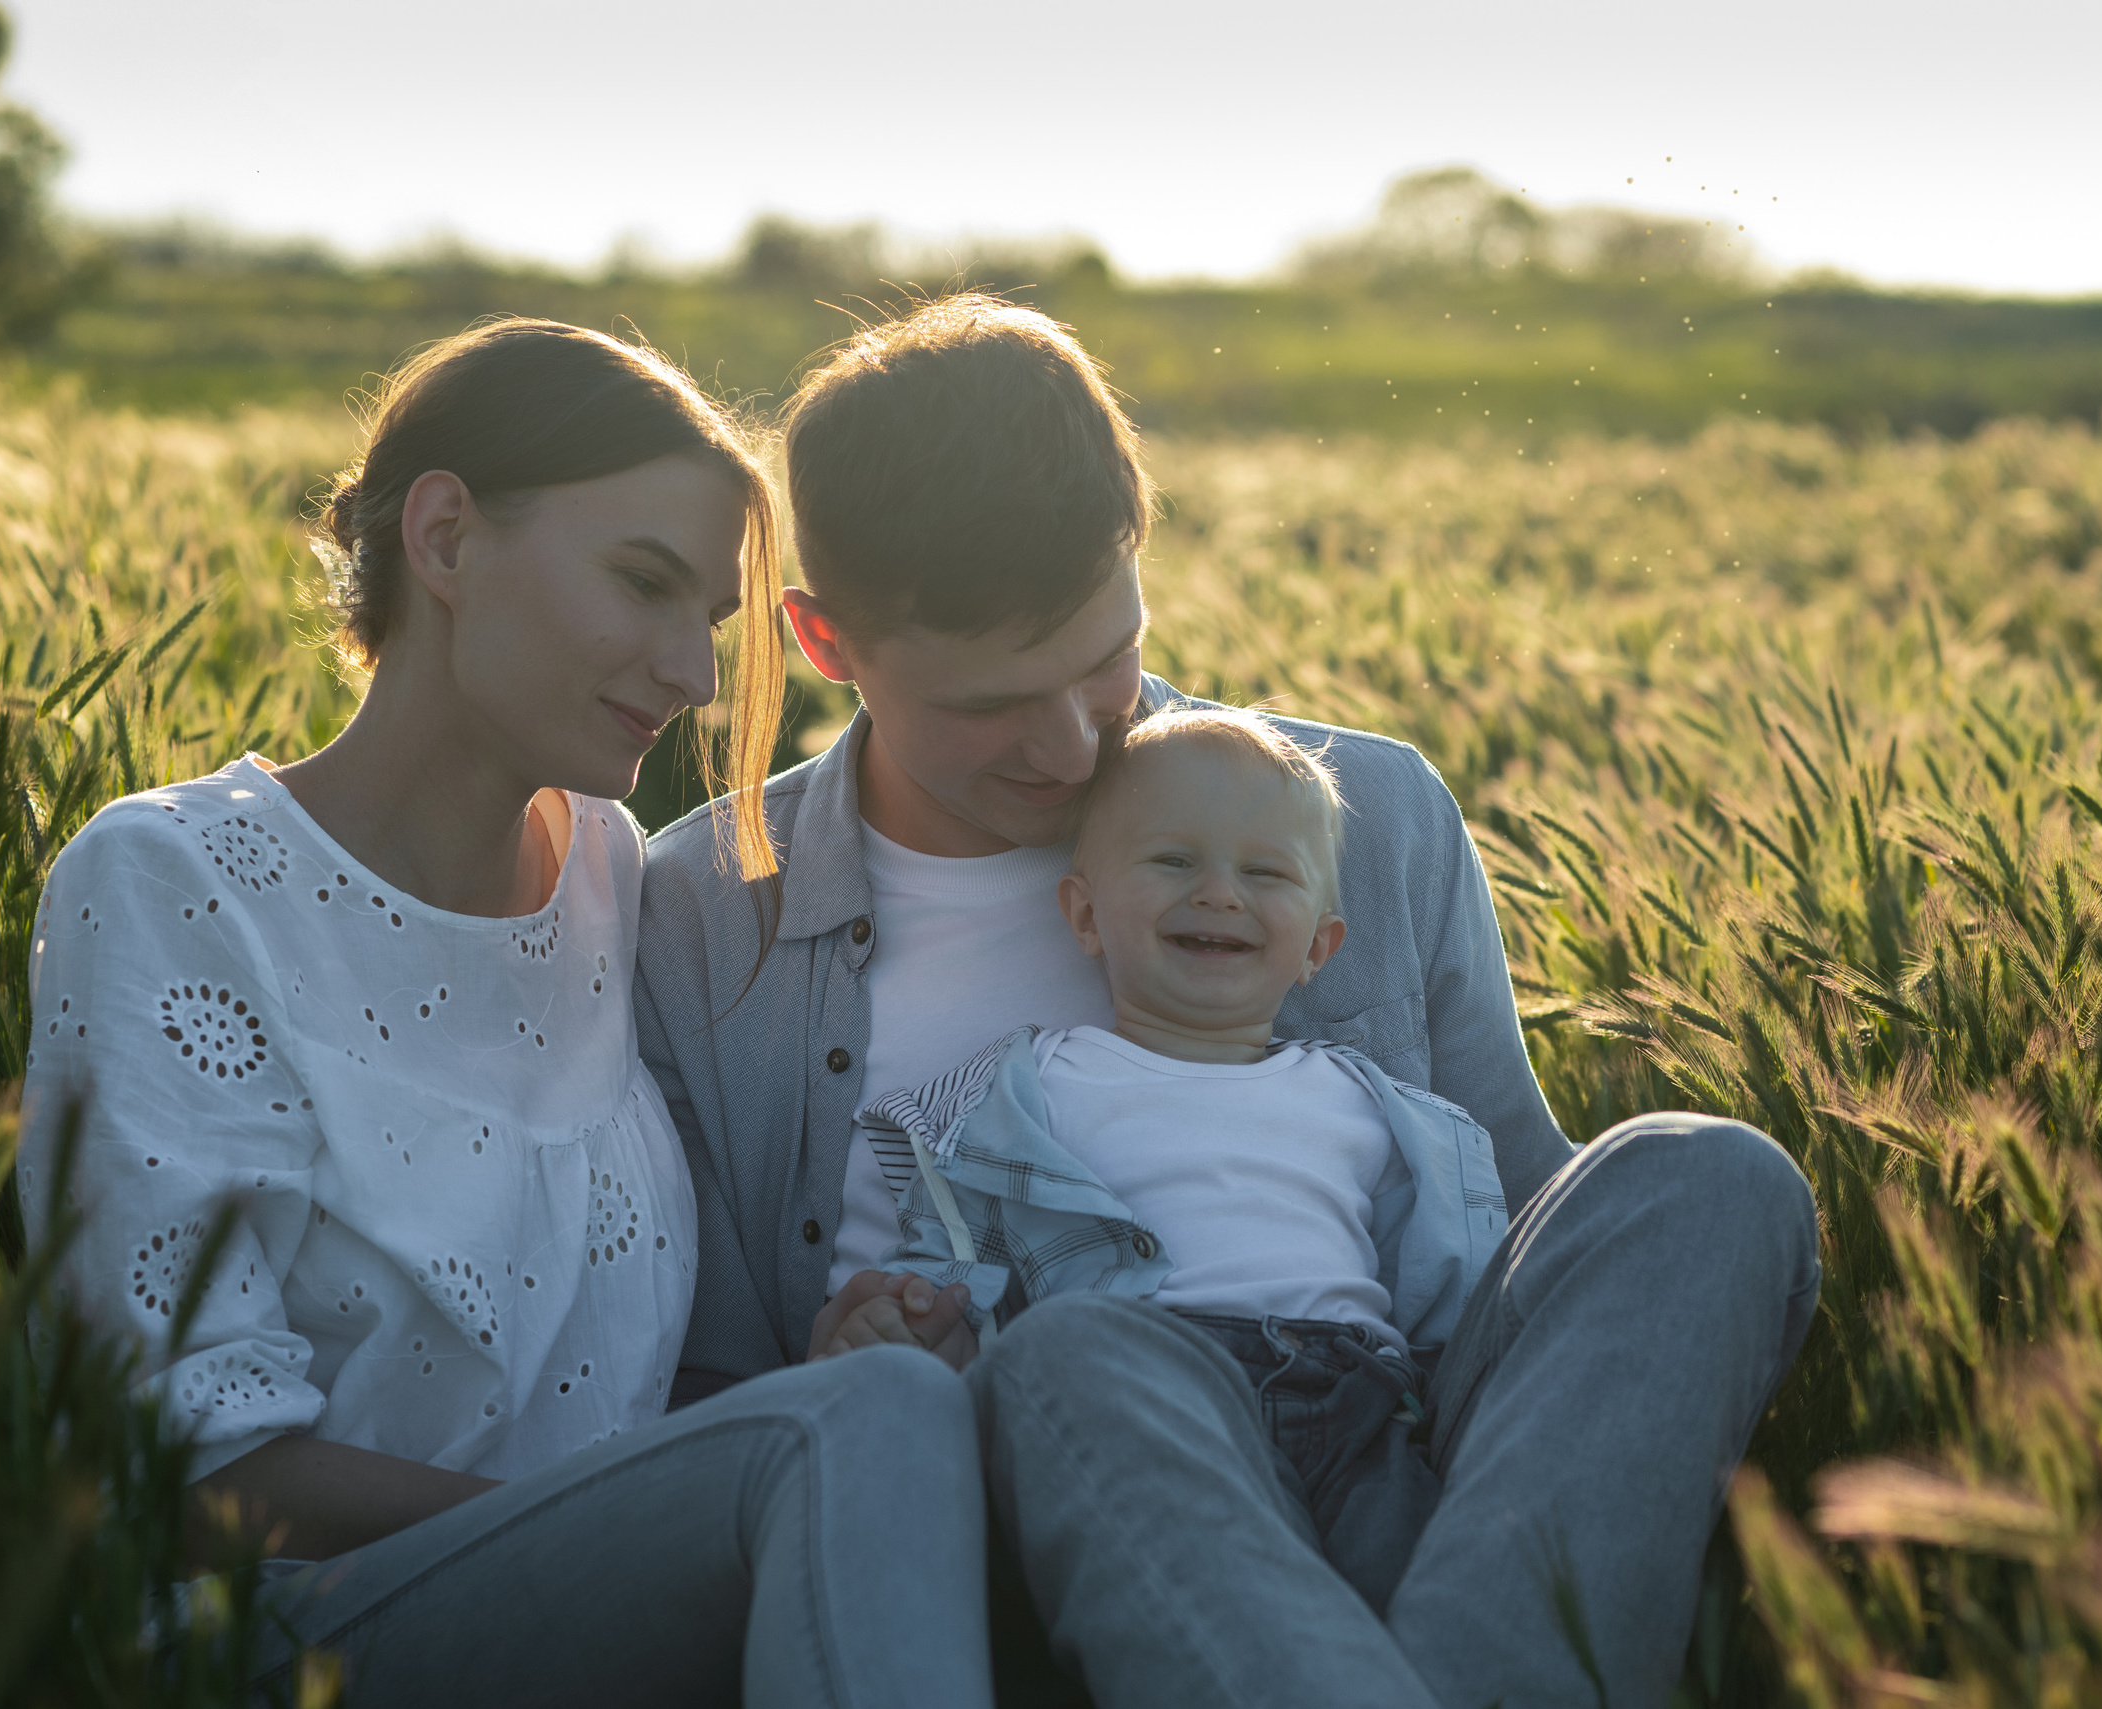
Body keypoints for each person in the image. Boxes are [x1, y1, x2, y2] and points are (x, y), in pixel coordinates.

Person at [634, 295, 1820, 1707]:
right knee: (1077, 1350)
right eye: (992, 705)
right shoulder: (706, 912)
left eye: (1104, 661)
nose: (1072, 745)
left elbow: (1516, 1213)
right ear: (827, 642)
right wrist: (865, 1360)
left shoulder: (1364, 810)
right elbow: (717, 1399)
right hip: (1041, 1515)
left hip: (1395, 1451)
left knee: (1706, 1177)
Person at [16, 318, 992, 1709]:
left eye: (711, 622)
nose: (694, 672)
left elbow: (619, 1392)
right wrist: (649, 1518)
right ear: (445, 536)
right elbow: (184, 1469)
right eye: (643, 583)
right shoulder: (180, 879)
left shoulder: (610, 872)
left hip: (605, 1620)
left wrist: (808, 1378)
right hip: (276, 1642)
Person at [863, 706, 1515, 1611]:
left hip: (1357, 1400)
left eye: (1265, 872)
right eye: (1174, 861)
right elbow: (956, 1237)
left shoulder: (1371, 1106)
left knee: (1416, 1583)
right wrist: (916, 1313)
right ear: (1085, 914)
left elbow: (1450, 1282)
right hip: (1150, 1391)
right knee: (1235, 1582)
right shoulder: (1036, 1085)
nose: (1218, 893)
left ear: (1318, 946)